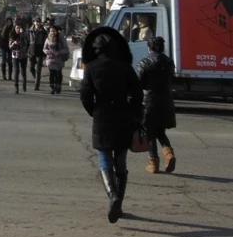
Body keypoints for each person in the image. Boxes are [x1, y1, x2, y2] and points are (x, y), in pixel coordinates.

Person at [79, 27, 143, 224]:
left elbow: (85, 95)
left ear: (97, 49)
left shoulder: (91, 68)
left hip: (102, 116)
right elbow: (138, 93)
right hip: (123, 115)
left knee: (104, 159)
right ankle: (119, 204)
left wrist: (94, 110)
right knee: (121, 162)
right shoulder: (125, 67)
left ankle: (112, 196)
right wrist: (133, 112)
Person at [137, 36, 177, 174]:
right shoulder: (169, 62)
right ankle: (169, 154)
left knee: (149, 133)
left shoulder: (144, 62)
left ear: (149, 48)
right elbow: (171, 79)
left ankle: (153, 162)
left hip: (149, 101)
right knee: (160, 131)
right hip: (166, 100)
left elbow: (139, 83)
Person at [42, 26, 70, 95]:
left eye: (54, 31)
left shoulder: (61, 39)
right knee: (52, 73)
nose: (52, 33)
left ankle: (58, 86)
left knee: (58, 73)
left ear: (57, 32)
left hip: (59, 59)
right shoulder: (48, 39)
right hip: (50, 59)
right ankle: (52, 87)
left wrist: (59, 52)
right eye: (51, 31)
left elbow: (66, 49)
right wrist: (47, 52)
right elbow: (44, 48)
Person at [9, 21, 30, 93]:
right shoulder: (12, 35)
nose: (18, 29)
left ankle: (24, 84)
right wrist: (14, 43)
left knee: (23, 71)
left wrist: (22, 34)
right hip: (15, 55)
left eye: (19, 28)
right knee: (16, 70)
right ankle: (16, 87)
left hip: (23, 55)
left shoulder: (24, 34)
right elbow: (10, 46)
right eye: (16, 28)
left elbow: (28, 41)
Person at [28, 17, 48, 91]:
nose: (37, 23)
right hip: (32, 50)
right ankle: (37, 78)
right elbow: (27, 41)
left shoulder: (43, 31)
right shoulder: (30, 30)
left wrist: (45, 53)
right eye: (36, 21)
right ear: (34, 22)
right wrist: (28, 51)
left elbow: (46, 42)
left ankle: (37, 85)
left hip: (40, 50)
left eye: (39, 22)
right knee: (31, 68)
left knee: (38, 69)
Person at [0, 17, 14, 82]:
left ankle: (10, 75)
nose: (8, 23)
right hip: (4, 46)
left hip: (11, 46)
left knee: (10, 61)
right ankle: (4, 75)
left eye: (9, 22)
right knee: (3, 61)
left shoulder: (13, 28)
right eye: (7, 22)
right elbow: (1, 36)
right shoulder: (3, 28)